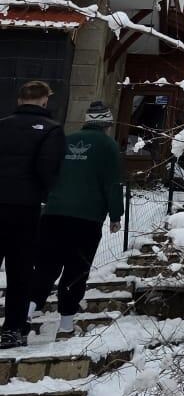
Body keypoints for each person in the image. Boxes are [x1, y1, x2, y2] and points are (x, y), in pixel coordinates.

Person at [31, 101, 124, 341]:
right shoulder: (108, 146)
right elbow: (112, 183)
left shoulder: (65, 140)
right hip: (86, 218)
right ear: (106, 123)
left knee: (45, 268)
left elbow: (48, 173)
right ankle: (65, 326)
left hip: (53, 214)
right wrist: (116, 215)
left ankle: (24, 315)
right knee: (75, 270)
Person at [0, 80, 67, 349]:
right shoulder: (52, 130)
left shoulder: (2, 125)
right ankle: (12, 329)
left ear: (19, 100)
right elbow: (48, 169)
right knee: (20, 270)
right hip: (25, 208)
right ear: (44, 101)